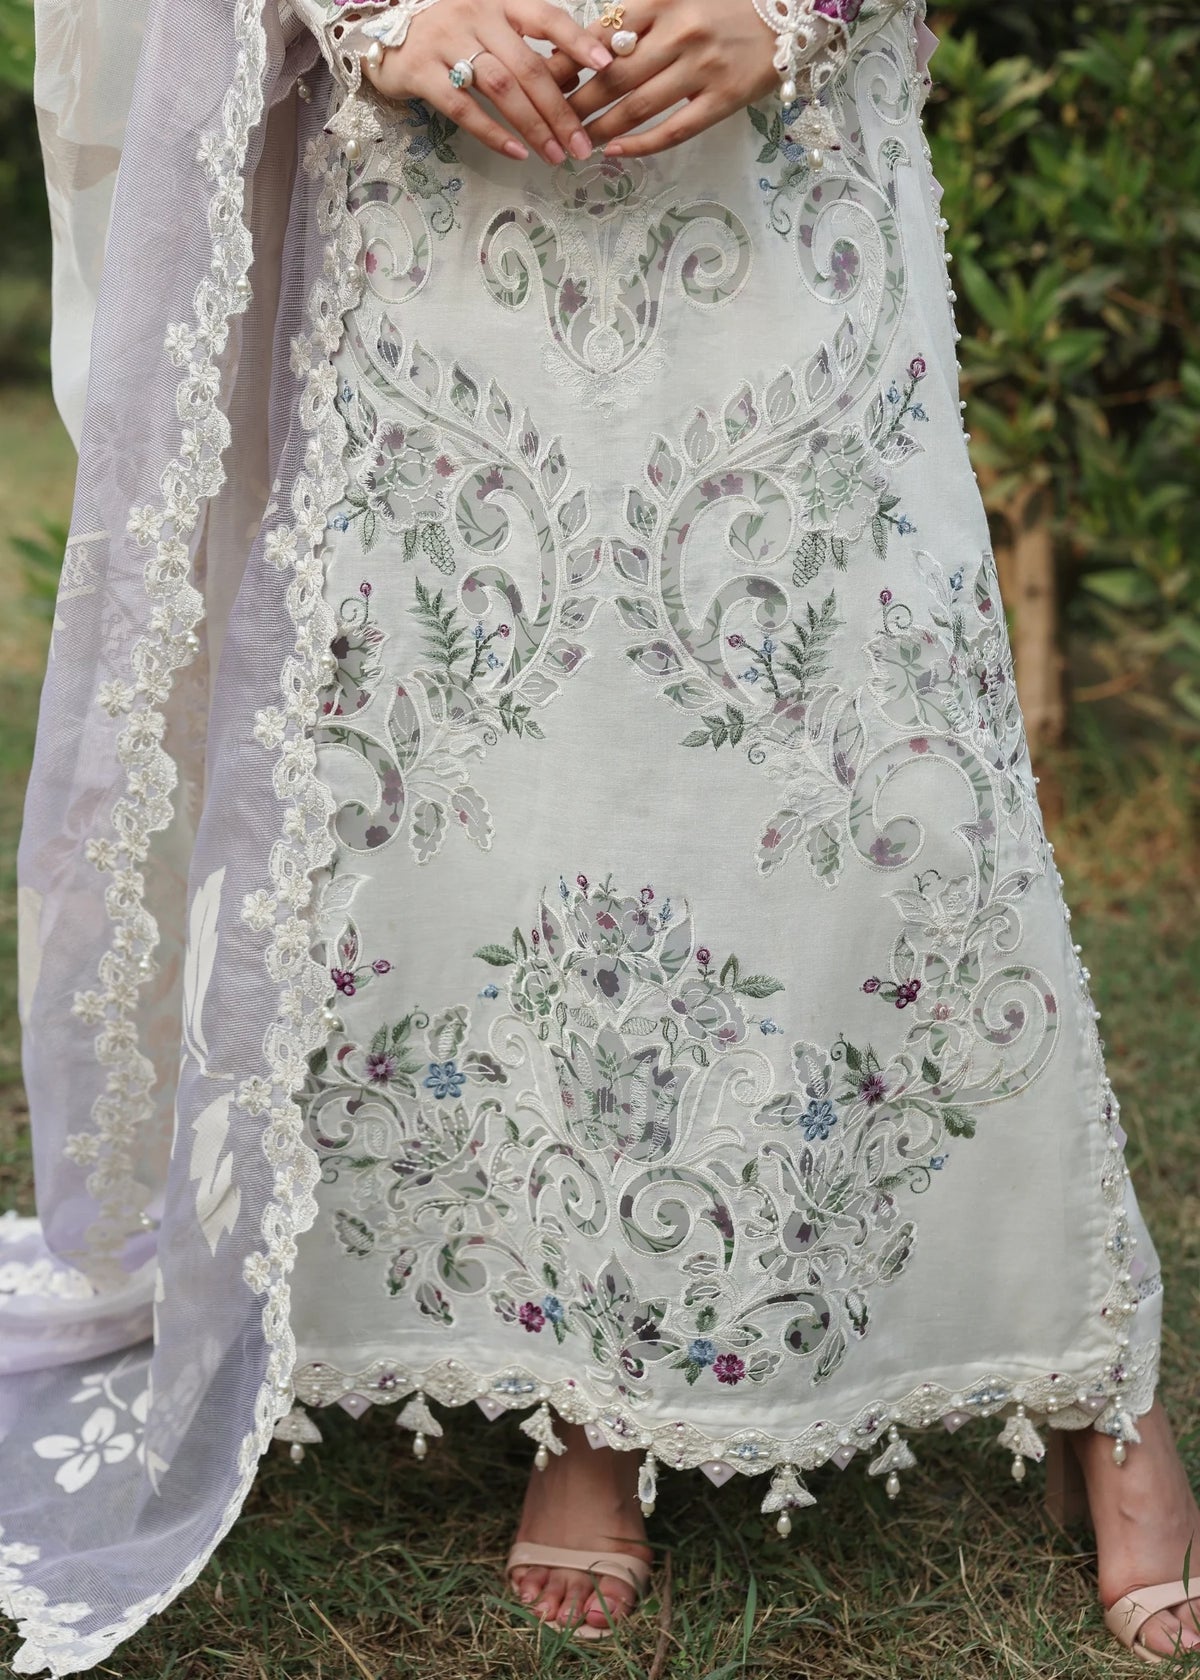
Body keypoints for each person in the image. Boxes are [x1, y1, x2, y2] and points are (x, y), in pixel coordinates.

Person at [0, 0, 1195, 1671]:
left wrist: (801, 12)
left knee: (888, 753)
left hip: (779, 143)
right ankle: (583, 1380)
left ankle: (1095, 1364)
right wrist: (373, 14)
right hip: (449, 171)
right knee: (513, 774)